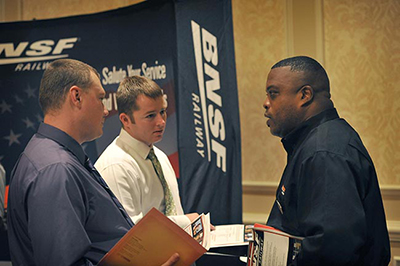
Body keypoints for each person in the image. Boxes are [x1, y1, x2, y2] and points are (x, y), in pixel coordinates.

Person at [7, 59, 180, 266]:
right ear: (76, 97)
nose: (106, 110)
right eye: (100, 98)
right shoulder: (56, 169)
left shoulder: (54, 158)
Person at [263, 56, 391, 265]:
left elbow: (329, 253)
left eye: (273, 93)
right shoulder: (317, 142)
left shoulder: (324, 152)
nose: (266, 103)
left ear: (305, 95)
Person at [95, 76, 198, 228]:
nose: (161, 121)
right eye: (150, 116)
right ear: (125, 120)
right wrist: (186, 222)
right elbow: (131, 232)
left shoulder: (160, 156)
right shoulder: (115, 166)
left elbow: (175, 211)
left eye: (162, 112)